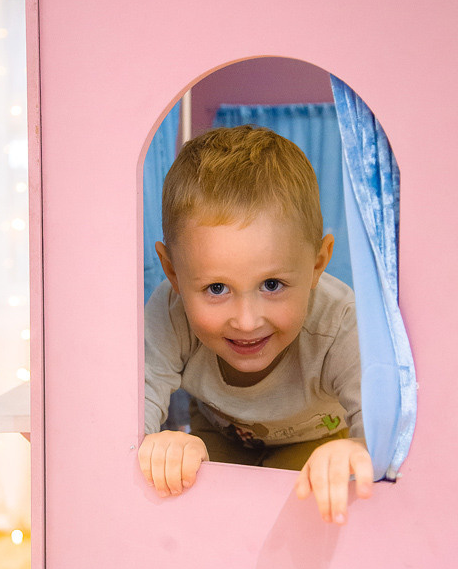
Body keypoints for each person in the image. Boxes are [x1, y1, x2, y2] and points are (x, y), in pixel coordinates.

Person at [139, 125, 373, 524]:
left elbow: (385, 426)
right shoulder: (170, 312)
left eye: (272, 285)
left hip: (315, 443)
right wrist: (160, 445)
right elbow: (130, 413)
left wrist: (360, 449)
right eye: (216, 288)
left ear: (318, 263)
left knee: (311, 511)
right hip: (218, 438)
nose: (247, 322)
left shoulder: (340, 324)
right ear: (172, 272)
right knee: (188, 504)